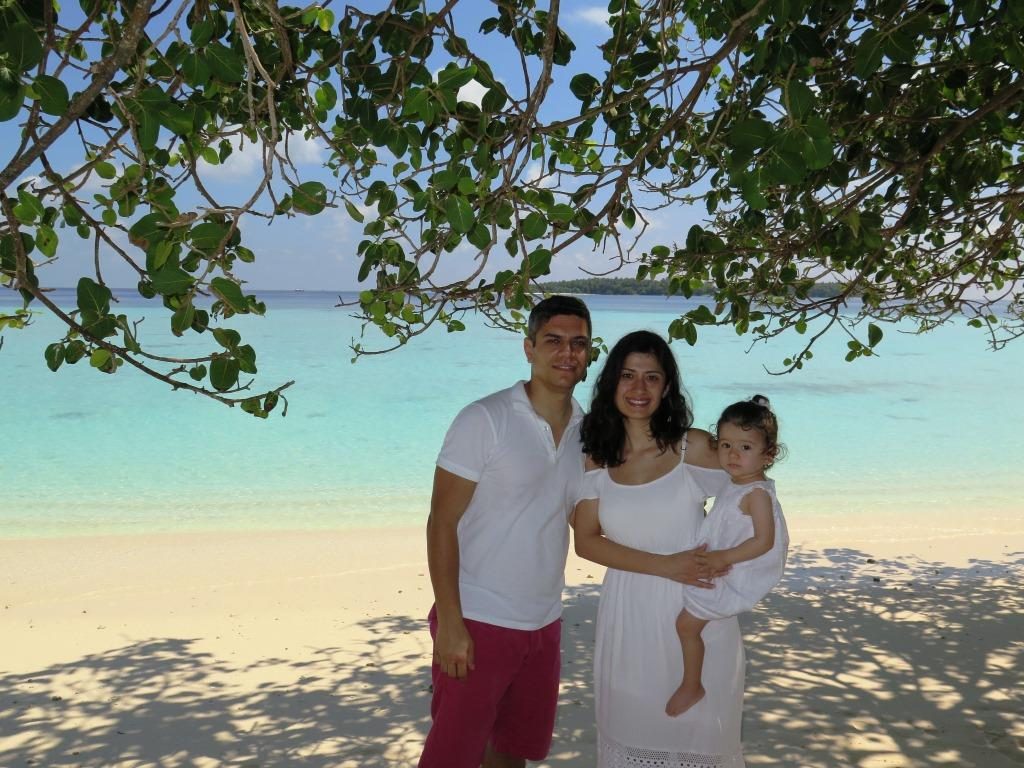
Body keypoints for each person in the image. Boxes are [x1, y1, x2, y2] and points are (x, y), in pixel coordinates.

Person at [418, 295, 592, 768]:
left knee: (512, 753)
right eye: (553, 341)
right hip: (478, 619)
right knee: (452, 757)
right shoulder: (484, 419)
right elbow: (441, 521)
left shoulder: (588, 432)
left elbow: (582, 521)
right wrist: (450, 623)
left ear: (589, 353)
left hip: (544, 621)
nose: (567, 353)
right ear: (529, 348)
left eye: (578, 343)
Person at [572, 330, 745, 768]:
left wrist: (728, 558)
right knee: (633, 732)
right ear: (611, 382)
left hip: (696, 612)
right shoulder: (598, 456)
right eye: (628, 375)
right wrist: (666, 565)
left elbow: (751, 493)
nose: (639, 388)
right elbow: (586, 542)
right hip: (629, 614)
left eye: (652, 377)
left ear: (667, 387)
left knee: (701, 742)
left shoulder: (693, 447)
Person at [666, 396, 789, 717]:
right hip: (725, 561)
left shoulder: (756, 494)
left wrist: (724, 558)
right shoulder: (738, 482)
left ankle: (692, 685)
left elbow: (764, 541)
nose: (733, 454)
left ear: (769, 454)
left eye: (745, 447)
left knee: (686, 626)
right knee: (686, 622)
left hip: (735, 570)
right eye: (726, 445)